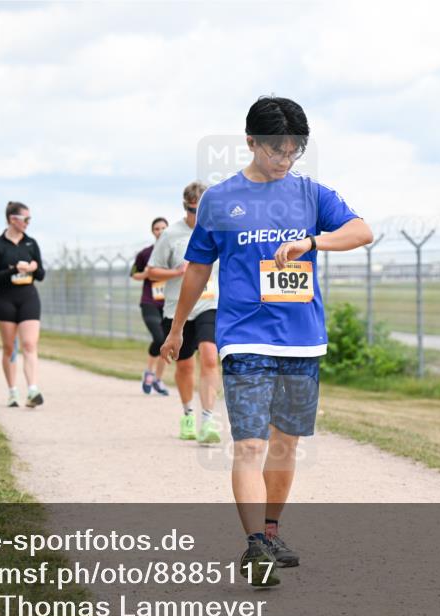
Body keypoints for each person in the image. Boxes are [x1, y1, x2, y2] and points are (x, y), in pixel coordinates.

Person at [162, 96, 374, 586]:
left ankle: (271, 532)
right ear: (251, 142)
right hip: (244, 338)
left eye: (295, 150)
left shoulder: (309, 194)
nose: (285, 159)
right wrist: (176, 329)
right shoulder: (219, 199)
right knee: (251, 446)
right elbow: (197, 269)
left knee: (285, 446)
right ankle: (255, 545)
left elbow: (362, 231)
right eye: (276, 150)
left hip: (302, 341)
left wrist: (313, 242)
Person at [148, 182, 220, 444]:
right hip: (178, 308)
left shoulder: (217, 230)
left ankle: (209, 418)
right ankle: (188, 413)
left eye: (201, 210)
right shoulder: (170, 235)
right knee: (185, 364)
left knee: (211, 357)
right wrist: (177, 272)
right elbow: (152, 270)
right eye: (192, 210)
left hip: (209, 304)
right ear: (185, 207)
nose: (196, 216)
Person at [0, 201, 46, 408]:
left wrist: (32, 268)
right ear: (13, 219)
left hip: (28, 297)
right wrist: (14, 270)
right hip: (4, 300)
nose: (28, 223)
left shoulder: (31, 243)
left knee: (30, 344)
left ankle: (32, 390)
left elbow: (41, 275)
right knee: (10, 347)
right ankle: (12, 391)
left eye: (30, 219)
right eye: (25, 219)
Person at [130, 217, 171, 396]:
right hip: (150, 302)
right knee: (159, 337)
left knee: (167, 343)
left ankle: (158, 379)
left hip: (170, 303)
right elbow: (133, 274)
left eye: (163, 228)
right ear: (152, 232)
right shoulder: (145, 254)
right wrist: (147, 274)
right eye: (156, 229)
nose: (160, 231)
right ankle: (149, 371)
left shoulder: (175, 251)